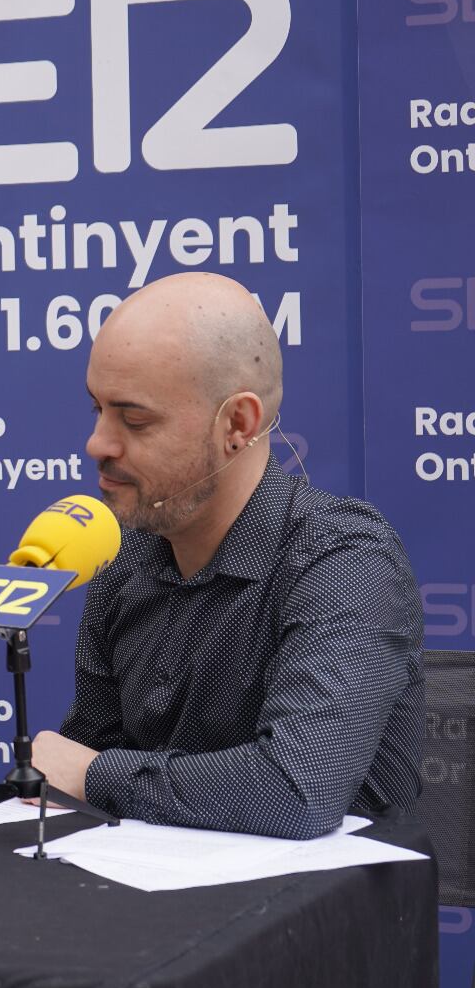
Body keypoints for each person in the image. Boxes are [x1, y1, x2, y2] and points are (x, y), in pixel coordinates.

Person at [32, 271, 423, 839]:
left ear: (237, 424)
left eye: (134, 418)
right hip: (143, 901)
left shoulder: (345, 559)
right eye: (96, 409)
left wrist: (94, 775)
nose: (98, 443)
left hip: (315, 914)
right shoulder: (125, 557)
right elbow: (80, 765)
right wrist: (81, 776)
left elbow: (296, 790)